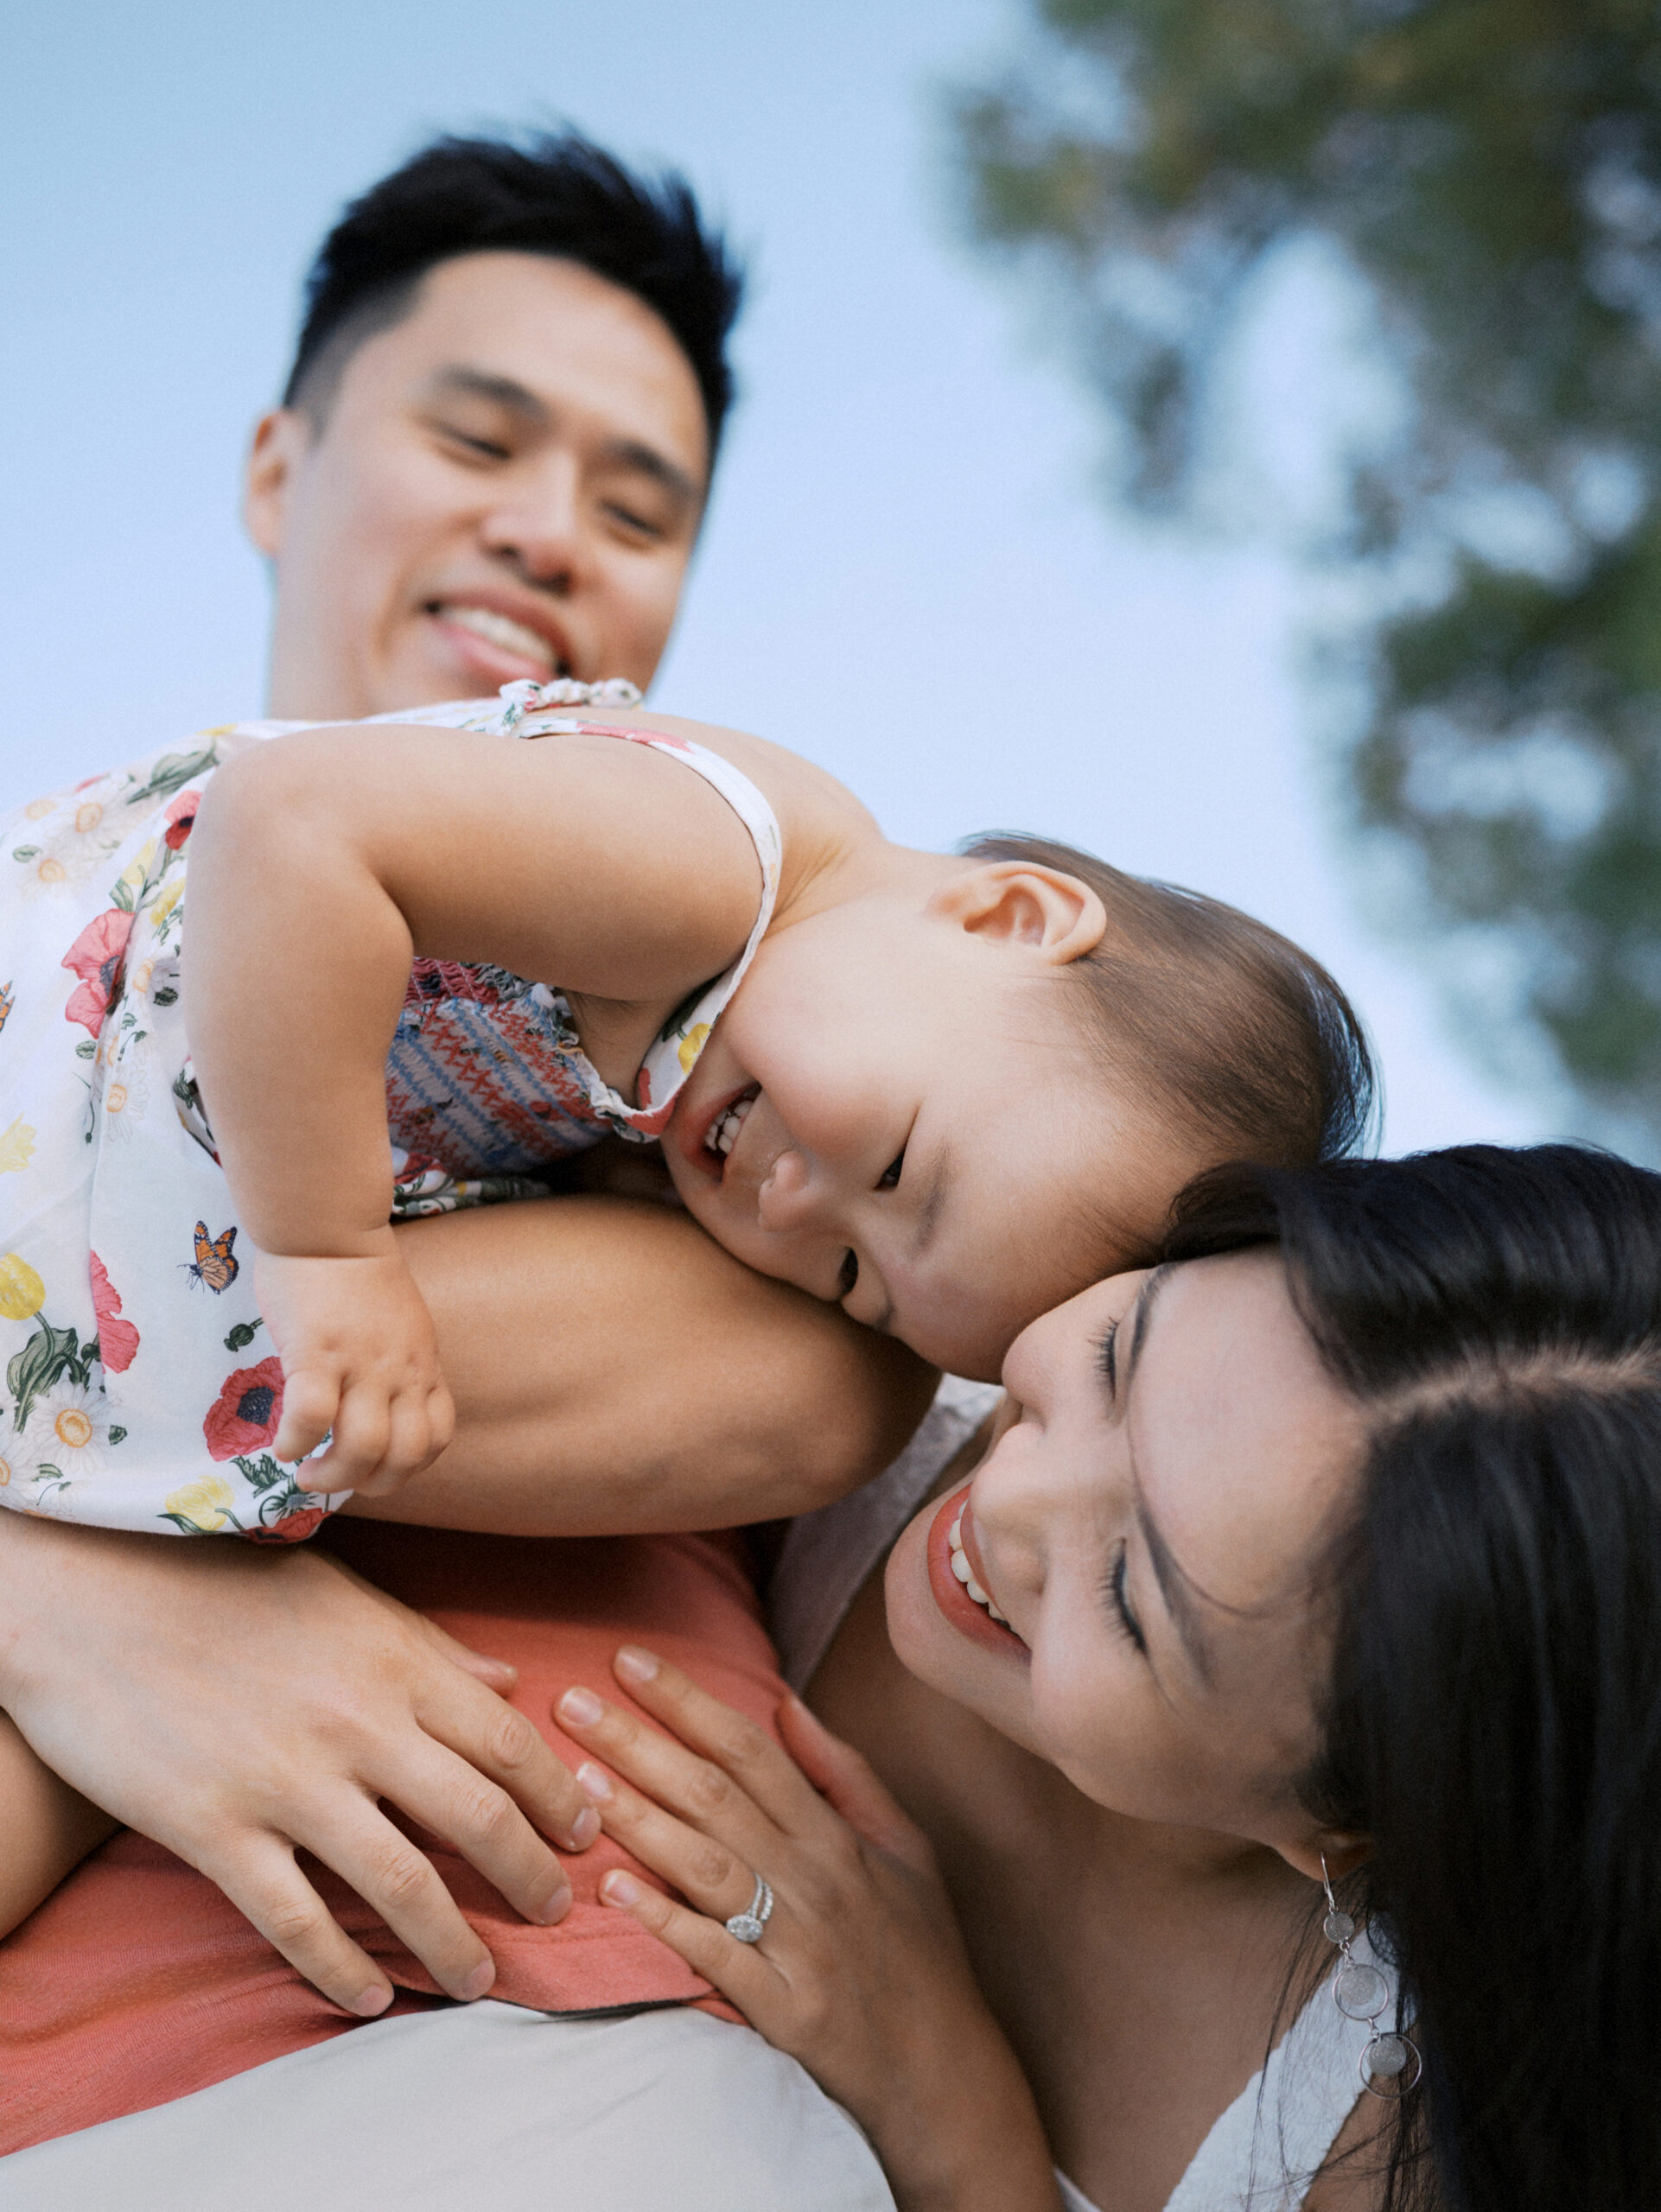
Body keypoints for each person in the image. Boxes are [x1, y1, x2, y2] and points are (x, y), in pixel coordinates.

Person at [0, 125, 939, 2011]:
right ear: (282, 467)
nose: (549, 529)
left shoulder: (755, 1114)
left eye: (638, 505)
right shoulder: (65, 946)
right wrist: (71, 1606)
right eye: (480, 439)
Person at [7, 1144, 1655, 2212]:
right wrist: (93, 1606)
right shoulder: (795, 1358)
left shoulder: (1383, 2146)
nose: (1002, 1502)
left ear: (1344, 1833)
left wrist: (960, 2122)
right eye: (1108, 1361)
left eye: (1131, 1594)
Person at [1, 677, 1365, 1525]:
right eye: (892, 1169)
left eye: (844, 1275)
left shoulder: (724, 1043)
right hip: (63, 1042)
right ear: (1007, 919)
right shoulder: (715, 868)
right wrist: (329, 1252)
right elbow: (293, 823)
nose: (789, 1204)